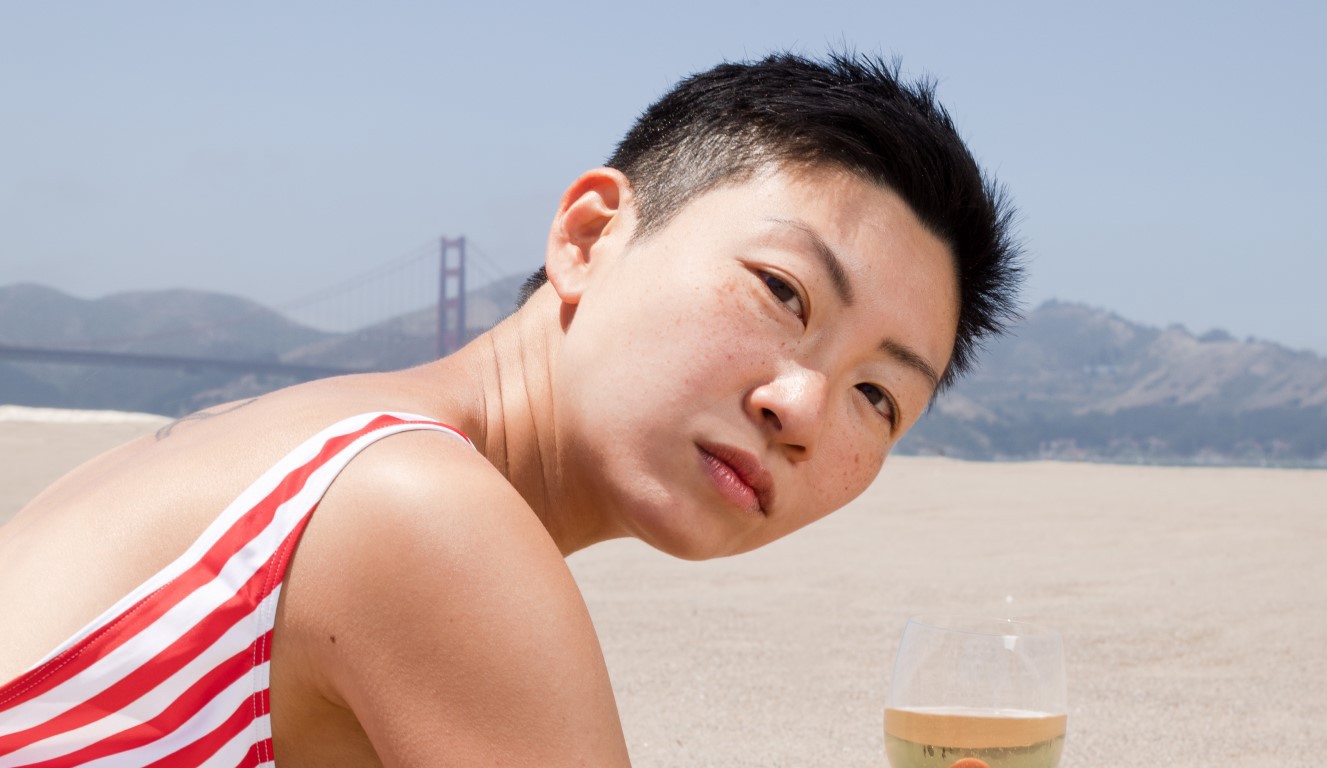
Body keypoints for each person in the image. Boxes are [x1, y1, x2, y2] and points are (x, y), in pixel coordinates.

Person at [0, 52, 1021, 766]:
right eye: (783, 291)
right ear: (587, 236)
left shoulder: (288, 453)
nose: (801, 407)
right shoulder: (415, 509)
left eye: (877, 397)